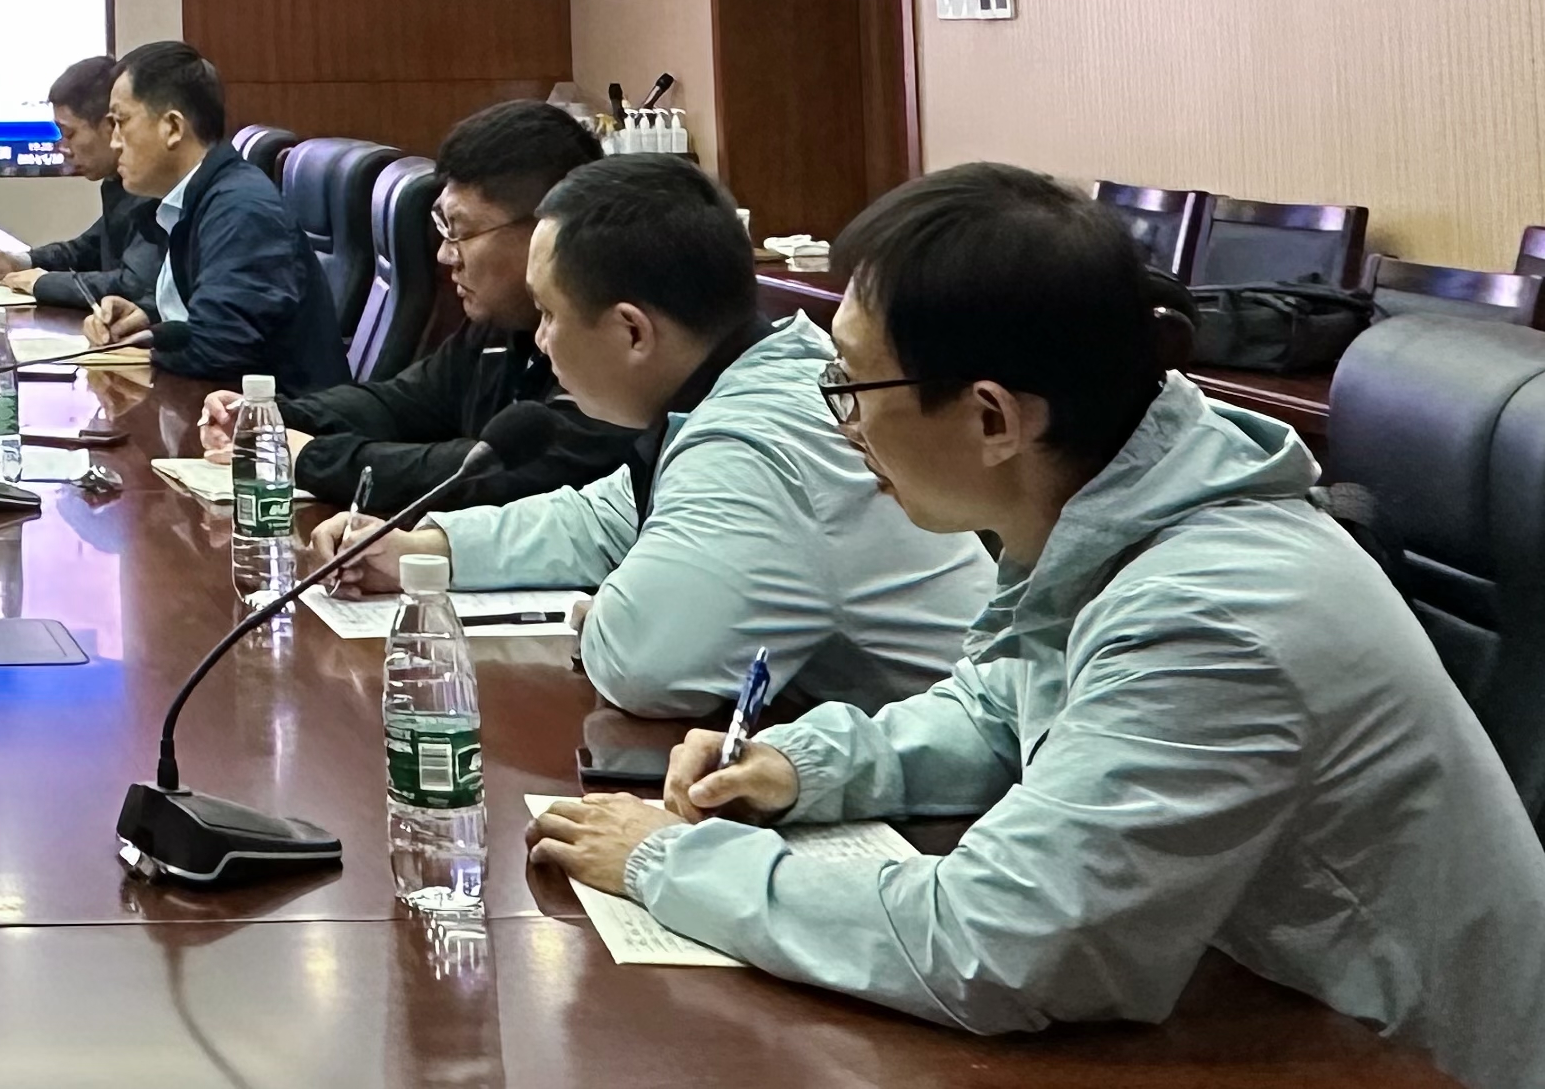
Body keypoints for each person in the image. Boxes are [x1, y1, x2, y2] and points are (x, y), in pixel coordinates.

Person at [531, 165, 1545, 1089]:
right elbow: (1003, 705)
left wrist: (667, 863)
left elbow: (999, 947)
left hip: (1395, 1059)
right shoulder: (1124, 503)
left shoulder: (1213, 613)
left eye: (850, 385)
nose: (839, 421)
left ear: (991, 419)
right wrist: (805, 766)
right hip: (1248, 1002)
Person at [310, 153, 984, 715]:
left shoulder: (755, 442)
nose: (539, 342)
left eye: (548, 314)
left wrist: (607, 612)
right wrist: (426, 548)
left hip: (962, 793)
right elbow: (604, 519)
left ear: (632, 331)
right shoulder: (745, 376)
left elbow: (645, 665)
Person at [197, 98, 630, 511]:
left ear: (545, 230)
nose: (444, 254)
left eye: (459, 230)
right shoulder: (500, 324)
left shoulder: (606, 347)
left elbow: (483, 475)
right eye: (442, 226)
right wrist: (269, 415)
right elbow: (402, 402)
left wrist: (306, 456)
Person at [78, 41, 343, 388]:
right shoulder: (198, 198)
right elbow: (208, 313)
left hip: (280, 416)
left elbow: (222, 348)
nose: (114, 142)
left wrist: (142, 350)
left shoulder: (240, 210)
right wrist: (147, 320)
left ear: (173, 128)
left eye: (121, 122)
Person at [0, 53, 160, 308]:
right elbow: (87, 249)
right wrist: (20, 262)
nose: (63, 147)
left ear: (111, 125)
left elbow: (134, 286)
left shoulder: (154, 186)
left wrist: (42, 283)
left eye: (69, 133)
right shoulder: (118, 183)